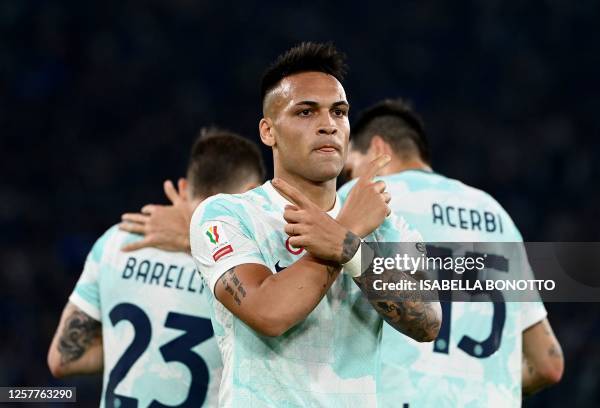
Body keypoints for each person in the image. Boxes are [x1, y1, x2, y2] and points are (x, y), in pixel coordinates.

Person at [189, 42, 441, 407]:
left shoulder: (382, 223)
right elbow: (269, 312)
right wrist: (347, 230)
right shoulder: (227, 216)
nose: (328, 125)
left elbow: (428, 321)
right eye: (306, 112)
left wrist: (350, 248)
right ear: (268, 131)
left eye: (339, 112)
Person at [340, 99, 564, 406]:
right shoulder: (495, 214)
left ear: (378, 149)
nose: (350, 179)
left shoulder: (361, 201)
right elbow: (548, 365)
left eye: (350, 168)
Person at [47, 128, 265, 407]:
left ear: (184, 188)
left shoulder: (117, 240)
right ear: (251, 195)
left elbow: (63, 357)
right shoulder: (250, 269)